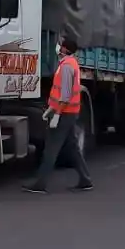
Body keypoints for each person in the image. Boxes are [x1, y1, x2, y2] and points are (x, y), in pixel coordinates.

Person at [23, 37, 94, 194]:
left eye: (61, 45)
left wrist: (56, 114)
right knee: (73, 149)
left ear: (65, 49)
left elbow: (65, 94)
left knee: (51, 149)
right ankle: (85, 180)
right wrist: (51, 109)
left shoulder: (67, 66)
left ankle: (40, 183)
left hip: (64, 113)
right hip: (68, 112)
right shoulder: (68, 64)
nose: (58, 47)